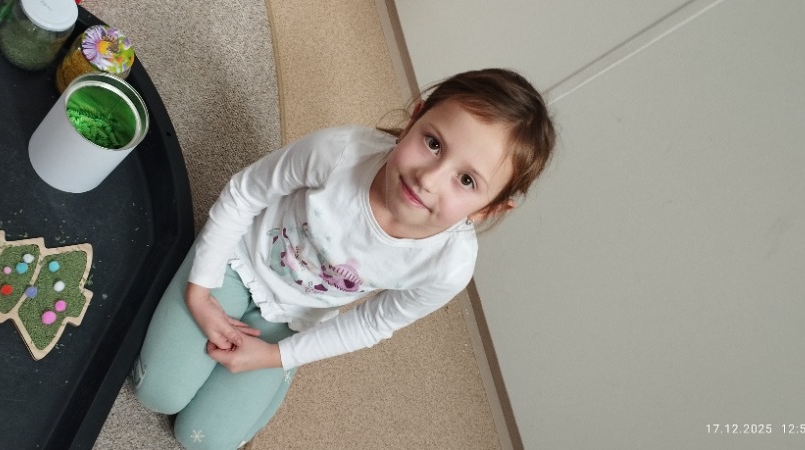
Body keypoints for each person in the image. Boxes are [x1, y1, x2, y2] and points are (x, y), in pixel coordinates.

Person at [131, 68, 556, 449]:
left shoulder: (449, 267)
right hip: (239, 262)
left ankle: (276, 378)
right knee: (156, 393)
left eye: (466, 180)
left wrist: (277, 357)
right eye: (433, 143)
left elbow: (372, 323)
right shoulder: (338, 151)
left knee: (204, 440)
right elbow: (244, 194)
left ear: (488, 210)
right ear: (416, 117)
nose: (428, 180)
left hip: (295, 319)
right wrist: (200, 291)